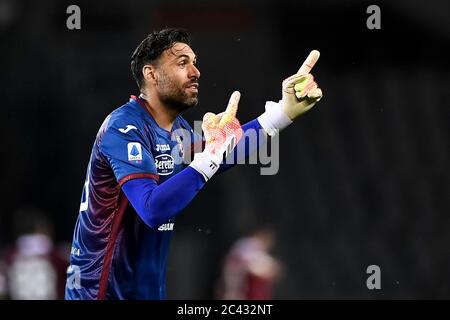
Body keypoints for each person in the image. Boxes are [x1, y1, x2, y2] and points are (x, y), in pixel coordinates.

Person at [65, 28, 322, 300]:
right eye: (182, 63)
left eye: (194, 62)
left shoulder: (177, 130)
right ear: (151, 74)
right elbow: (152, 209)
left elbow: (223, 153)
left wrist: (283, 113)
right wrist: (210, 156)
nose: (195, 71)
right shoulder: (123, 126)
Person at [216, 228, 281, 300]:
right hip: (236, 286)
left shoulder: (257, 250)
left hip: (242, 289)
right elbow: (252, 267)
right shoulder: (249, 244)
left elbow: (273, 269)